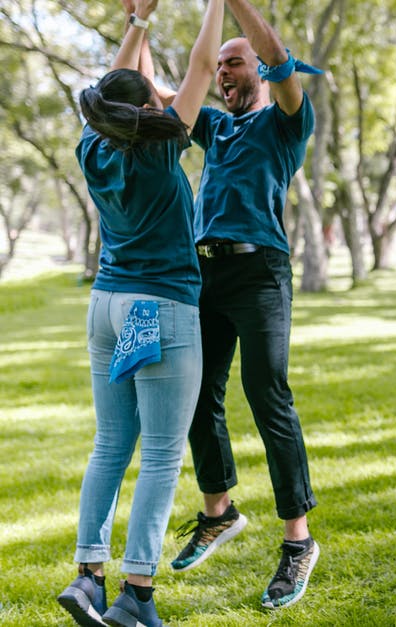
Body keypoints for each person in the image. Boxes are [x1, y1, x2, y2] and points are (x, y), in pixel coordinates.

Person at [56, 0, 223, 624]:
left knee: (110, 443)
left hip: (106, 305)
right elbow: (203, 65)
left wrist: (140, 23)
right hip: (157, 308)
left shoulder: (91, 148)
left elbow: (111, 88)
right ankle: (137, 593)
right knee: (159, 454)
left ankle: (88, 578)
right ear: (148, 109)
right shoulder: (157, 149)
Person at [169, 0, 322, 609]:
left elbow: (281, 61)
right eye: (220, 66)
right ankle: (219, 511)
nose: (223, 73)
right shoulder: (215, 127)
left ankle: (298, 542)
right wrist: (139, 25)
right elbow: (164, 94)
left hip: (260, 273)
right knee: (194, 393)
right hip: (205, 273)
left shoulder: (285, 123)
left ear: (256, 68)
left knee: (267, 395)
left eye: (234, 62)